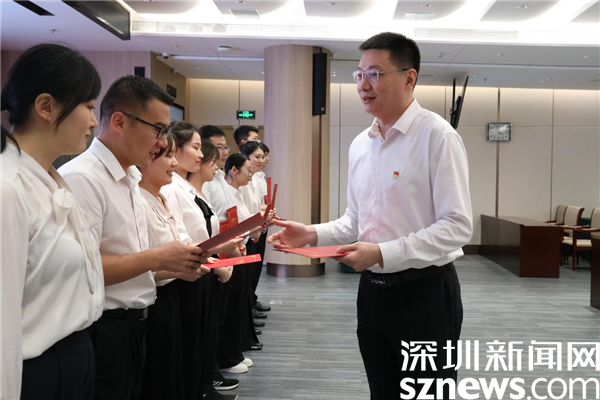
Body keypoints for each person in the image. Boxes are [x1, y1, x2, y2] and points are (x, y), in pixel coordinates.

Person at [268, 32, 473, 400]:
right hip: (373, 295)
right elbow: (355, 220)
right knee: (382, 391)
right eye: (359, 74)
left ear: (409, 78)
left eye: (375, 74)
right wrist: (311, 233)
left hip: (425, 294)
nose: (363, 85)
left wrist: (380, 252)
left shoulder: (437, 136)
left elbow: (457, 226)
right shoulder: (361, 144)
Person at [59, 75, 209, 400]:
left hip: (136, 324)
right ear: (119, 122)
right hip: (104, 328)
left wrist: (174, 265)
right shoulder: (84, 178)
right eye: (158, 130)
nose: (162, 142)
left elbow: (132, 259)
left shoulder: (130, 176)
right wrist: (158, 257)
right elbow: (83, 269)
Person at [0, 43, 104, 400]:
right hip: (36, 371)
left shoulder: (50, 178)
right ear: (46, 106)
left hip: (74, 355)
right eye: (88, 106)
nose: (93, 121)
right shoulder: (8, 188)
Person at [161, 122, 241, 400]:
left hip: (201, 267)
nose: (200, 155)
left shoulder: (186, 187)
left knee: (201, 338)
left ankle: (203, 386)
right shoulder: (172, 188)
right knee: (192, 341)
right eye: (195, 148)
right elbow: (181, 238)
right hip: (189, 272)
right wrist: (216, 258)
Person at [138, 134, 206, 400]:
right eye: (168, 157)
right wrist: (179, 268)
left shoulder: (160, 198)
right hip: (154, 299)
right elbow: (143, 263)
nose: (175, 163)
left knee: (172, 370)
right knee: (159, 376)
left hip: (172, 292)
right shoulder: (139, 201)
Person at [240, 141, 272, 315]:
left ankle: (250, 303)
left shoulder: (256, 178)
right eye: (257, 157)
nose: (261, 160)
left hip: (257, 228)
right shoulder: (242, 181)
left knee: (254, 271)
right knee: (247, 275)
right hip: (247, 232)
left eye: (263, 156)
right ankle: (248, 308)